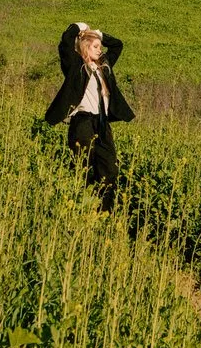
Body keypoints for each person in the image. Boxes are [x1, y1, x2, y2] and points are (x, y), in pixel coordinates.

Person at [45, 22, 134, 210]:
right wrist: (79, 27)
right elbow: (65, 43)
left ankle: (105, 211)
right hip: (82, 121)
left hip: (101, 122)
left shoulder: (104, 66)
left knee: (109, 168)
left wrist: (99, 34)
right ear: (85, 47)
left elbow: (118, 45)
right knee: (83, 166)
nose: (99, 50)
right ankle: (80, 206)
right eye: (95, 47)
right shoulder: (75, 66)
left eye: (100, 47)